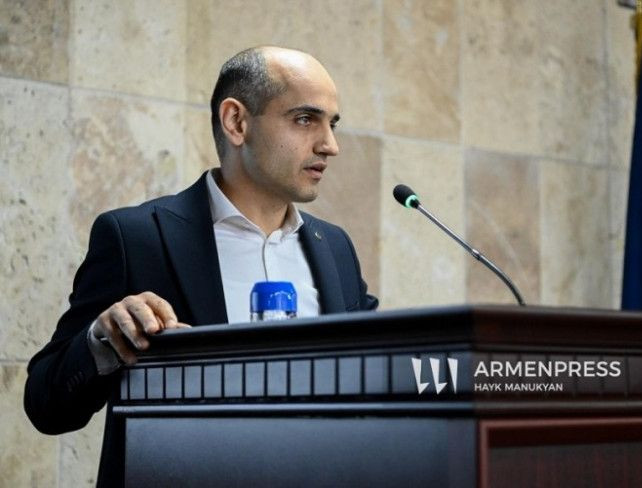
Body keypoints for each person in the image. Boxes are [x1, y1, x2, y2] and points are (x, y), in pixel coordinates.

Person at [24, 46, 378, 486]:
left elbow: (379, 380)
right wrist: (102, 341)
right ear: (236, 122)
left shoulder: (335, 248)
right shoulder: (138, 238)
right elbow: (46, 406)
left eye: (332, 123)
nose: (330, 145)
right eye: (305, 119)